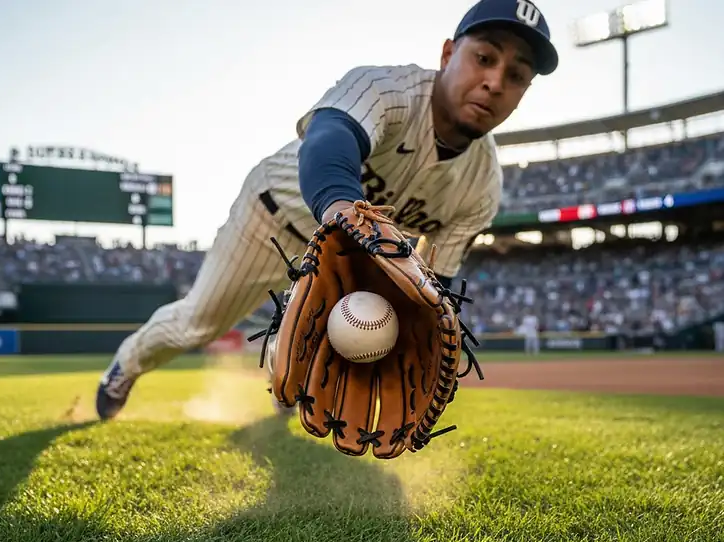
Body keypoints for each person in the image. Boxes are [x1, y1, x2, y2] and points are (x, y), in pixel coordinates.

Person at [95, 0, 558, 420]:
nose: (495, 82)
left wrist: (430, 325)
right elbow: (329, 139)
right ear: (447, 54)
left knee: (363, 323)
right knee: (196, 324)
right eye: (484, 57)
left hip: (357, 258)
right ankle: (126, 364)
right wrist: (342, 212)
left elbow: (435, 283)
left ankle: (284, 373)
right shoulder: (387, 89)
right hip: (273, 220)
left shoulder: (482, 186)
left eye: (516, 75)